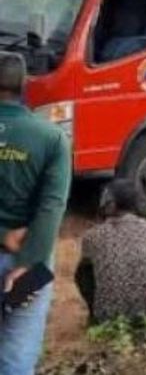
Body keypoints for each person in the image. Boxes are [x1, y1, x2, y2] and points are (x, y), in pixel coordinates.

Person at [0, 53, 71, 375]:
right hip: (27, 258)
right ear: (24, 85)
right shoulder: (52, 138)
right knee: (17, 353)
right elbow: (52, 205)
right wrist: (29, 261)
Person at [75, 179, 146, 324]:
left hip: (108, 317)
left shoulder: (91, 236)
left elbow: (84, 274)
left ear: (110, 203)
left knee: (84, 270)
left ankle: (96, 314)